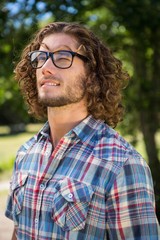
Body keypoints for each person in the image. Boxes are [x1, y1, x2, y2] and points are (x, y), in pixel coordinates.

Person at [5, 22, 160, 240]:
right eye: (41, 57)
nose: (46, 67)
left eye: (62, 57)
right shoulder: (25, 153)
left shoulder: (122, 164)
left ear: (91, 75)